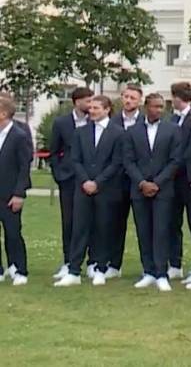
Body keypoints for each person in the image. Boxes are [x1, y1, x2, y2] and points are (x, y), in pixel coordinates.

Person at [56, 95, 126, 287]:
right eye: (91, 108)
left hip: (107, 189)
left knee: (103, 229)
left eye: (96, 108)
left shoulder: (118, 133)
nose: (92, 111)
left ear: (107, 109)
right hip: (83, 188)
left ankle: (100, 269)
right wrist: (86, 181)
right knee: (79, 229)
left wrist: (98, 182)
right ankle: (74, 270)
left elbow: (117, 162)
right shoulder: (81, 132)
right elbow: (75, 159)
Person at [124, 93, 180, 291]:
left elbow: (175, 160)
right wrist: (142, 183)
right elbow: (128, 160)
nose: (158, 110)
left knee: (161, 231)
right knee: (144, 231)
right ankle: (148, 271)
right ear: (146, 107)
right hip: (139, 189)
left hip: (162, 190)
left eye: (161, 107)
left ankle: (161, 272)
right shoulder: (132, 131)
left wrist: (157, 183)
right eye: (155, 106)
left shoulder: (173, 130)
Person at [49, 87, 95, 281]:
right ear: (77, 102)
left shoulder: (96, 121)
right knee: (69, 221)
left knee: (92, 220)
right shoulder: (61, 123)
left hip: (90, 178)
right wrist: (59, 174)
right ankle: (69, 261)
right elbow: (53, 151)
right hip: (68, 178)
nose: (91, 105)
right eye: (87, 101)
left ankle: (93, 262)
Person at [105, 84, 145, 280]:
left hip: (140, 181)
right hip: (117, 181)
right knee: (115, 225)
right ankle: (114, 264)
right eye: (126, 97)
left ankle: (149, 266)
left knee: (144, 226)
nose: (128, 100)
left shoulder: (147, 122)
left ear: (140, 101)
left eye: (132, 98)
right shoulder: (111, 122)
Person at [0, 97, 32, 285]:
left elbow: (24, 167)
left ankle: (20, 269)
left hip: (10, 194)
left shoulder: (19, 136)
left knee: (13, 233)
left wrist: (19, 193)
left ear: (3, 113)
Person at [167, 82, 191, 282]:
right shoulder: (173, 119)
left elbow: (190, 148)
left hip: (188, 179)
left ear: (177, 97)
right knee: (172, 223)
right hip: (173, 181)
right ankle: (175, 264)